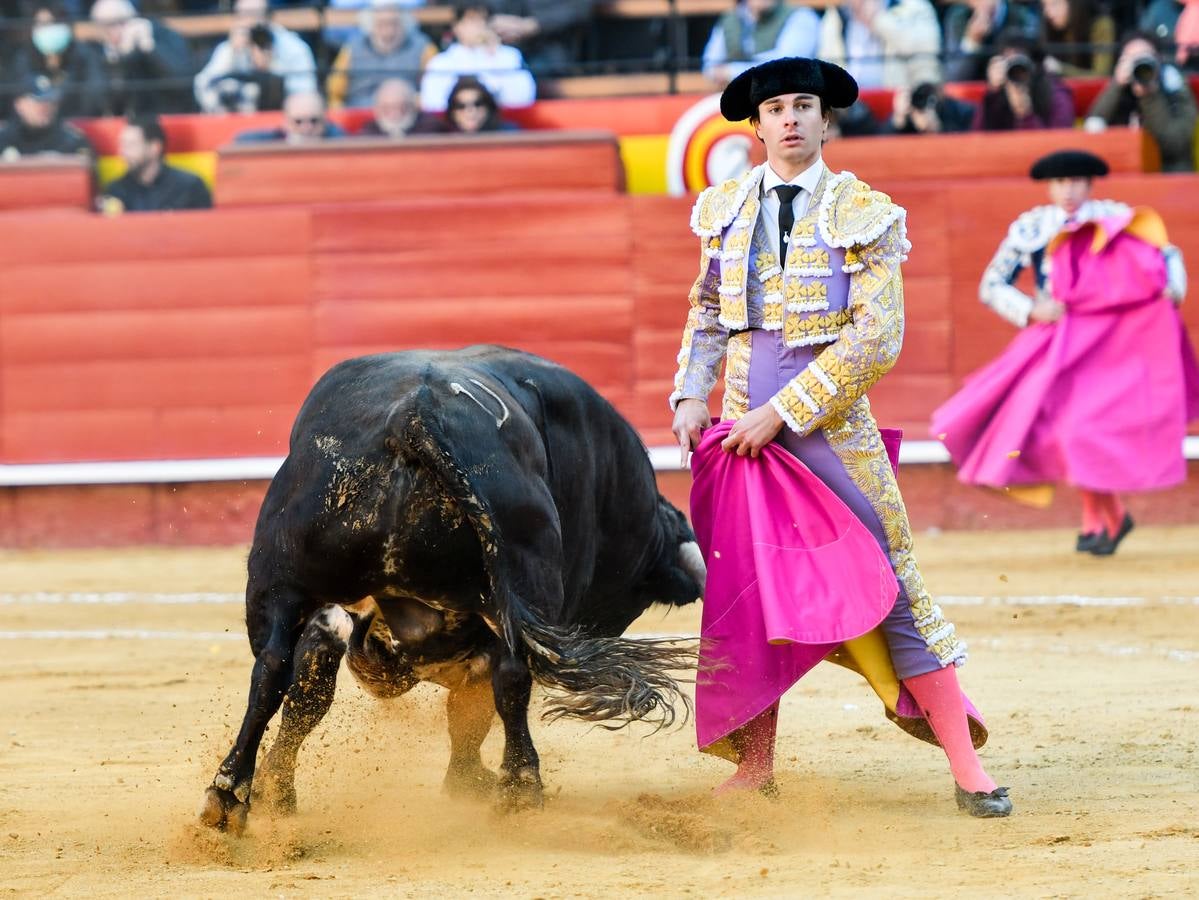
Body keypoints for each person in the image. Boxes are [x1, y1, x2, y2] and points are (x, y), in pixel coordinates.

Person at [671, 56, 1011, 817]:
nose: (789, 119)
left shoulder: (865, 210)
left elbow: (875, 338)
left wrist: (781, 413)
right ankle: (755, 767)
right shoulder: (722, 207)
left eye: (803, 106)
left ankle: (967, 770)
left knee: (892, 585)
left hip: (828, 435)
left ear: (827, 121)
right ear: (755, 127)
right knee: (746, 599)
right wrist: (692, 390)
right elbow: (704, 313)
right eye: (775, 109)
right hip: (740, 439)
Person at [932, 150, 1197, 555]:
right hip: (1054, 341)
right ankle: (1109, 518)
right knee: (1067, 432)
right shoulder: (1033, 227)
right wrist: (1031, 309)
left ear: (1090, 184)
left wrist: (1170, 290)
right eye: (1060, 183)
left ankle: (1099, 522)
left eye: (1075, 182)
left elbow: (1169, 256)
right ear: (1049, 186)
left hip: (1106, 344)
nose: (1068, 190)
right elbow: (992, 284)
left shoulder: (1115, 217)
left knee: (1083, 430)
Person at [1085, 32, 1198, 172]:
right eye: (1131, 59)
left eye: (1145, 57)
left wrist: (1150, 97)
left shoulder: (1174, 86)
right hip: (1122, 175)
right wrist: (1116, 86)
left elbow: (1176, 145)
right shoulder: (1118, 91)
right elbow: (1093, 127)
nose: (1139, 64)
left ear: (1159, 60)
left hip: (1168, 176)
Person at [194, 0, 317, 114]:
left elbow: (306, 92)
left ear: (269, 17)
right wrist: (232, 54)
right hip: (239, 118)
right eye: (243, 15)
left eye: (256, 14)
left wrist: (270, 71)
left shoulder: (292, 46)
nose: (250, 21)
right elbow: (202, 86)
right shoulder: (228, 48)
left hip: (283, 118)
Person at [419, 3, 537, 113]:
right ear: (456, 27)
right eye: (470, 21)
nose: (478, 27)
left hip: (499, 124)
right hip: (453, 128)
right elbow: (432, 103)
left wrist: (494, 57)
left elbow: (523, 98)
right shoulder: (441, 62)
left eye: (483, 21)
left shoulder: (510, 56)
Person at [87, 0, 195, 114]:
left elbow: (181, 84)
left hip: (169, 118)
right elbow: (106, 103)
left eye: (121, 22)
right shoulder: (98, 52)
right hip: (126, 124)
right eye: (106, 26)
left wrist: (149, 47)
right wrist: (117, 60)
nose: (114, 31)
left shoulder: (162, 35)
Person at [3, 1, 107, 118]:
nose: (47, 30)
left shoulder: (84, 56)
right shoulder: (24, 58)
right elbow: (18, 97)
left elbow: (94, 95)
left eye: (52, 23)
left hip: (77, 123)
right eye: (41, 24)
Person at [325, 0, 435, 109]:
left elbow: (434, 86)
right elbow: (334, 91)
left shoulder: (423, 47)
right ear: (370, 25)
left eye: (393, 24)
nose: (388, 32)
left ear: (405, 24)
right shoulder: (352, 48)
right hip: (361, 113)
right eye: (381, 24)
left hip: (404, 114)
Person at [818, 0, 942, 90]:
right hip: (847, 112)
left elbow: (927, 64)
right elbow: (825, 69)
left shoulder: (916, 7)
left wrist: (878, 20)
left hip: (898, 111)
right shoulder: (836, 15)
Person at [99, 114, 212, 212]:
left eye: (131, 145)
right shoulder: (116, 191)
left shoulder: (190, 187)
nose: (123, 153)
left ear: (155, 147)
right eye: (123, 145)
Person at [701, 0, 821, 88]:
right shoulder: (731, 18)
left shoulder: (801, 16)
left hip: (789, 100)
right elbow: (709, 64)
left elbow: (787, 65)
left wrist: (732, 71)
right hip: (740, 102)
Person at [972, 30, 1075, 130]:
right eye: (1009, 63)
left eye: (1020, 64)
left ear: (1035, 65)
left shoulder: (1055, 93)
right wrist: (992, 93)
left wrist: (1026, 115)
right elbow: (978, 138)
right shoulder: (998, 93)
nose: (1016, 72)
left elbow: (1060, 140)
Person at [485, 0, 596, 77]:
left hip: (549, 50)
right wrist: (487, 23)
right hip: (492, 48)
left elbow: (580, 8)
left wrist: (534, 25)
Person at [0, 73, 95, 159]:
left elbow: (86, 174)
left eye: (50, 101)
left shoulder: (72, 141)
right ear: (19, 104)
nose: (45, 107)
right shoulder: (4, 140)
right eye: (38, 101)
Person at [942, 0, 1042, 82]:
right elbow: (954, 78)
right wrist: (972, 41)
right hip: (972, 94)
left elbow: (1033, 69)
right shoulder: (958, 17)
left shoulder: (1022, 17)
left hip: (1011, 90)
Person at [234, 91, 347, 144]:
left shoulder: (339, 140)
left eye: (314, 121)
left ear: (325, 122)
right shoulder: (272, 139)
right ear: (285, 123)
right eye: (298, 122)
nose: (306, 128)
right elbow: (240, 141)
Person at [1039, 0, 1116, 77]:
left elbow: (1100, 76)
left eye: (1054, 4)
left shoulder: (1101, 25)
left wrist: (1061, 69)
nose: (1047, 13)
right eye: (1044, 6)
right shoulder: (1052, 28)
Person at [357, 78, 442, 136]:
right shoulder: (367, 134)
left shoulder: (431, 129)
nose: (395, 114)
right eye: (387, 108)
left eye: (401, 107)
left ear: (412, 106)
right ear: (377, 109)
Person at [885, 81, 977, 132]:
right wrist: (898, 119)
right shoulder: (908, 111)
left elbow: (970, 137)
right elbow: (879, 140)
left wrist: (938, 129)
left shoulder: (959, 109)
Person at [442, 74, 519, 133]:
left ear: (488, 107)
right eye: (461, 106)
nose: (470, 110)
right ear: (452, 112)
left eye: (477, 104)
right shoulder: (440, 138)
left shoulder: (509, 134)